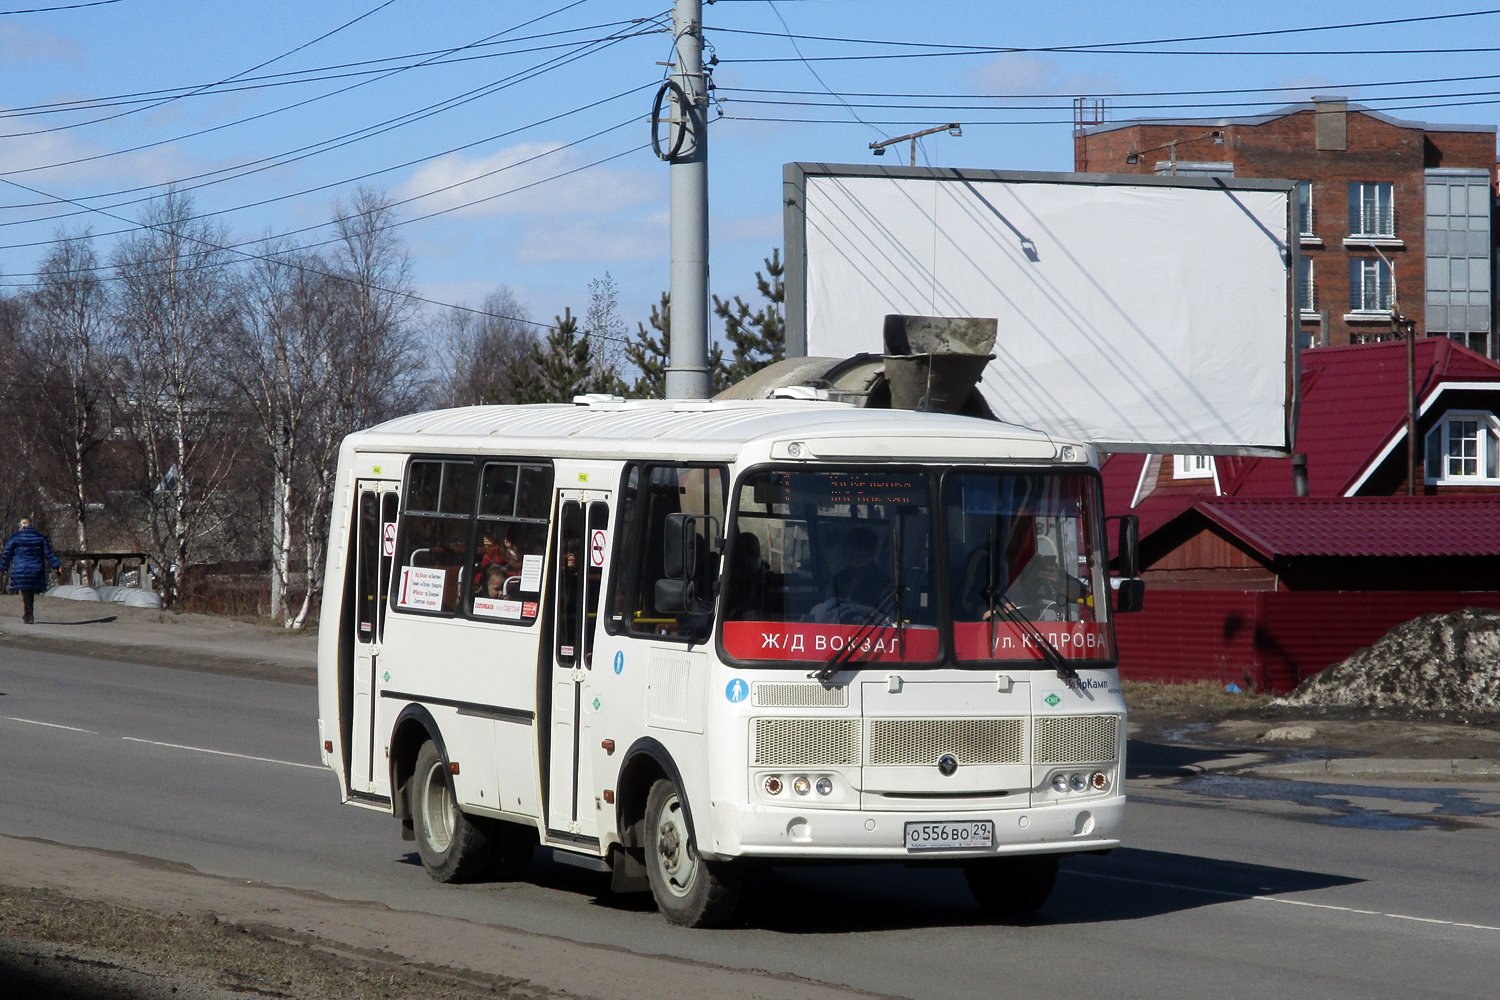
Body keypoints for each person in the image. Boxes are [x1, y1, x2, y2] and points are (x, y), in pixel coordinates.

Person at [0, 517, 61, 624]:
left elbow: (6, 554)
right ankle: (28, 613)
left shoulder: (15, 538)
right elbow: (49, 553)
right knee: (30, 590)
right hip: (36, 568)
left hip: (21, 568)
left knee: (26, 591)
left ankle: (29, 614)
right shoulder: (40, 538)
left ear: (22, 525)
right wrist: (56, 565)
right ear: (31, 524)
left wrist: (2, 567)